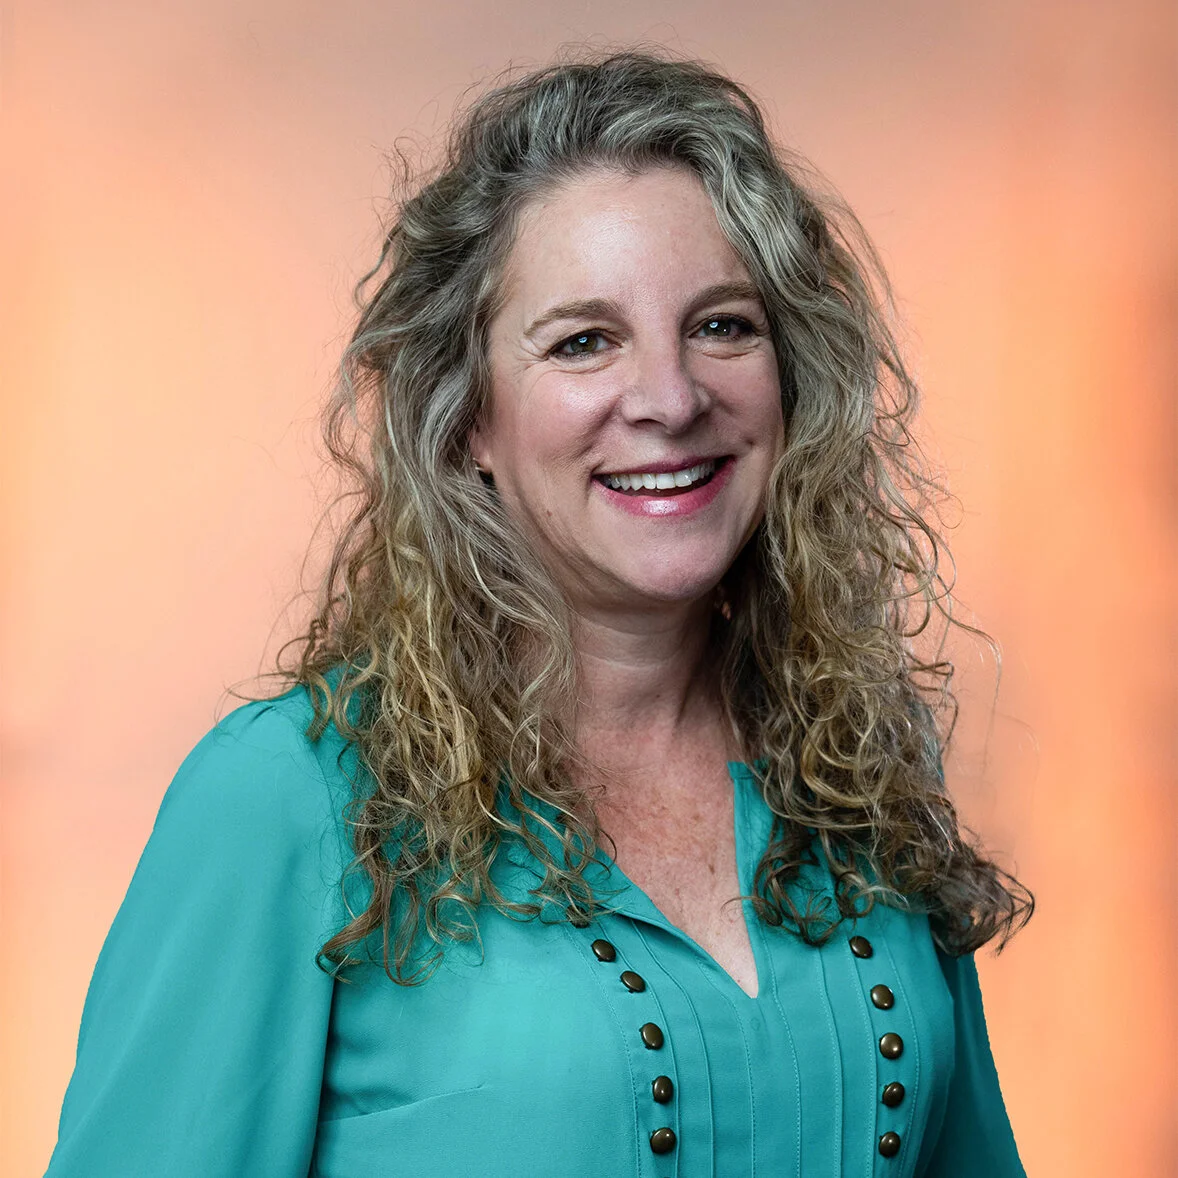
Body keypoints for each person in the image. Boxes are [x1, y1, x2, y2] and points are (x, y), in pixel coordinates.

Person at [45, 48, 1034, 1177]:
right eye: (581, 341)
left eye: (720, 325)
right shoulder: (288, 799)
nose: (668, 398)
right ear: (467, 416)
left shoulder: (858, 754)